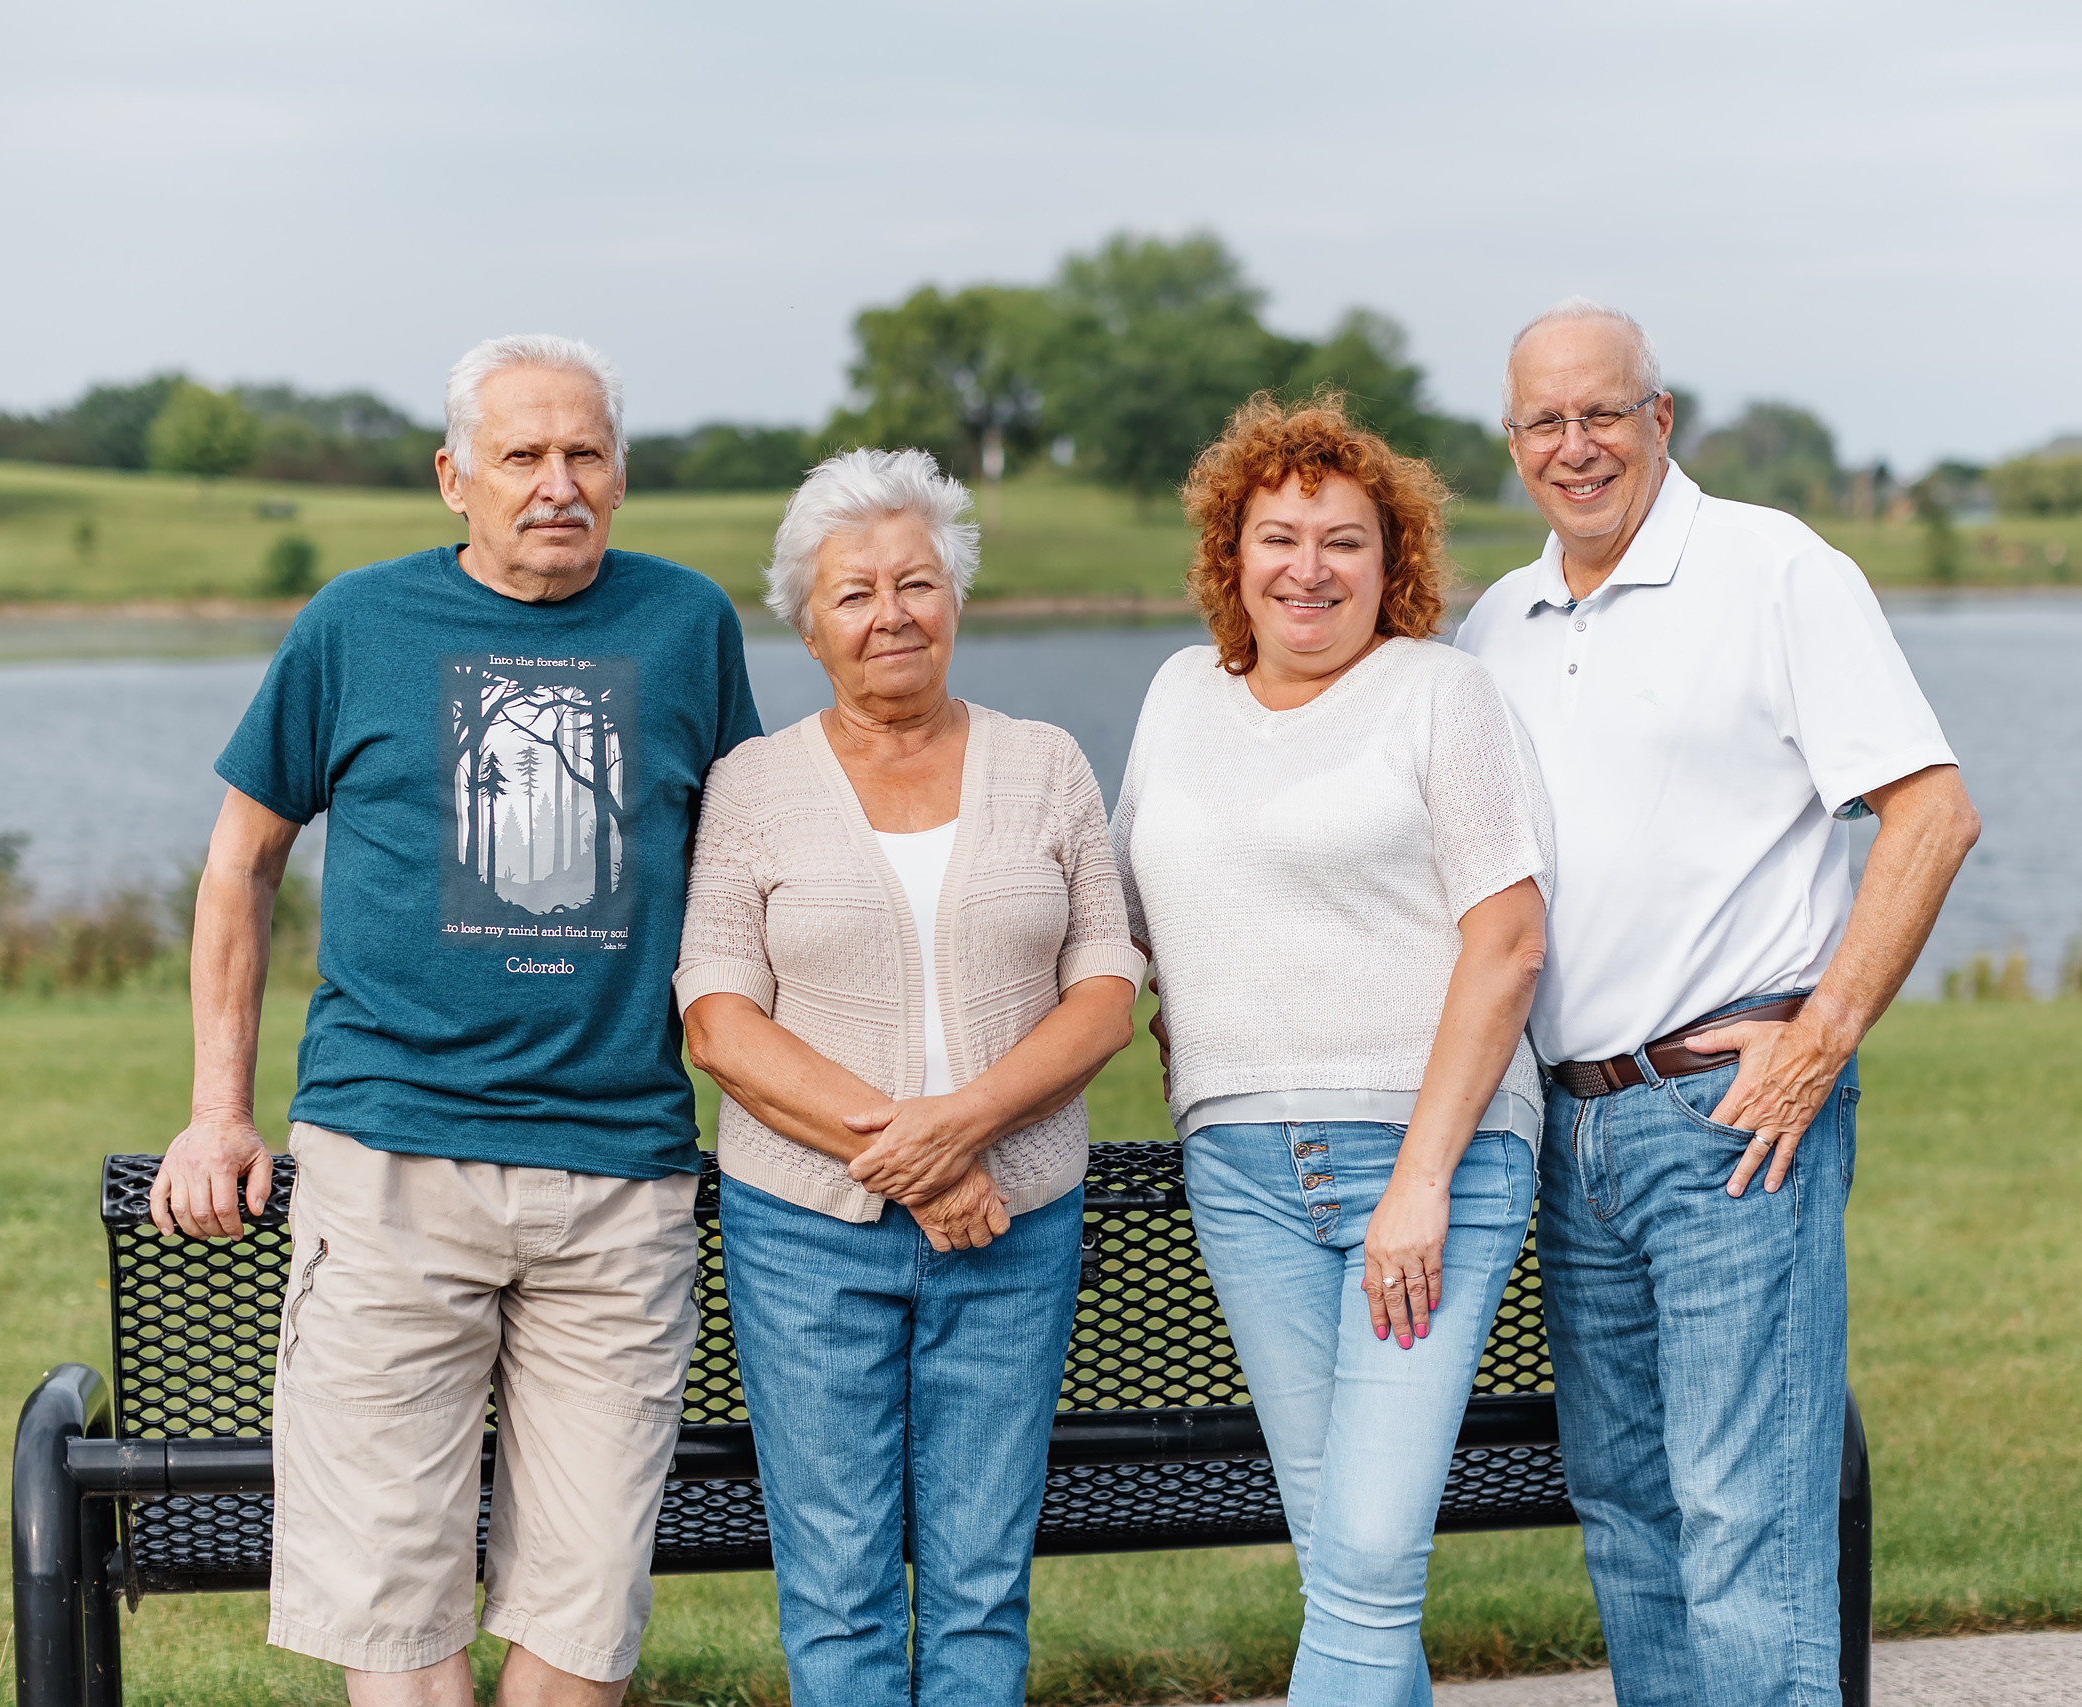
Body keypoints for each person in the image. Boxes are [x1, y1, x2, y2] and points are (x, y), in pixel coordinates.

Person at [147, 334, 760, 1707]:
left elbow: (750, 871)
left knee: (586, 1604)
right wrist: (217, 1106)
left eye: (585, 453)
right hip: (389, 1163)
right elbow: (240, 862)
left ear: (621, 472)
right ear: (453, 477)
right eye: (523, 455)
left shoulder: (687, 625)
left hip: (620, 1177)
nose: (558, 483)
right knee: (393, 1592)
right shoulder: (356, 625)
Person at [1454, 299, 1980, 1707]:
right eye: (1545, 422)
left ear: (1660, 418)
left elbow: (1931, 813)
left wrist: (1822, 1035)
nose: (1577, 446)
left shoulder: (1774, 569)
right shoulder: (1498, 622)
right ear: (1512, 444)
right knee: (1631, 1514)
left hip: (1725, 1114)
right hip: (1572, 1126)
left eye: (1603, 412)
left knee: (1751, 1516)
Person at [675, 447, 1142, 1706]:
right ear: (808, 623)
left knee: (982, 1583)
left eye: (917, 582)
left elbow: (1108, 983)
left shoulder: (1045, 763)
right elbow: (717, 1021)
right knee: (838, 1585)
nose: (892, 613)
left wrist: (967, 1129)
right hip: (808, 1232)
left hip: (1019, 1221)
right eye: (855, 593)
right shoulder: (752, 785)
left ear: (956, 595)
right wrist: (922, 1164)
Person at [1111, 396, 1555, 1707]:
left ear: (1393, 562)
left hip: (1427, 1159)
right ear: (1230, 554)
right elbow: (1126, 917)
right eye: (1278, 534)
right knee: (1345, 1563)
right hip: (1241, 1162)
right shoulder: (1177, 692)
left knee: (1366, 1560)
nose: (1308, 565)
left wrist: (1420, 1180)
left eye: (1344, 540)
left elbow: (1511, 940)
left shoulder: (1441, 692)